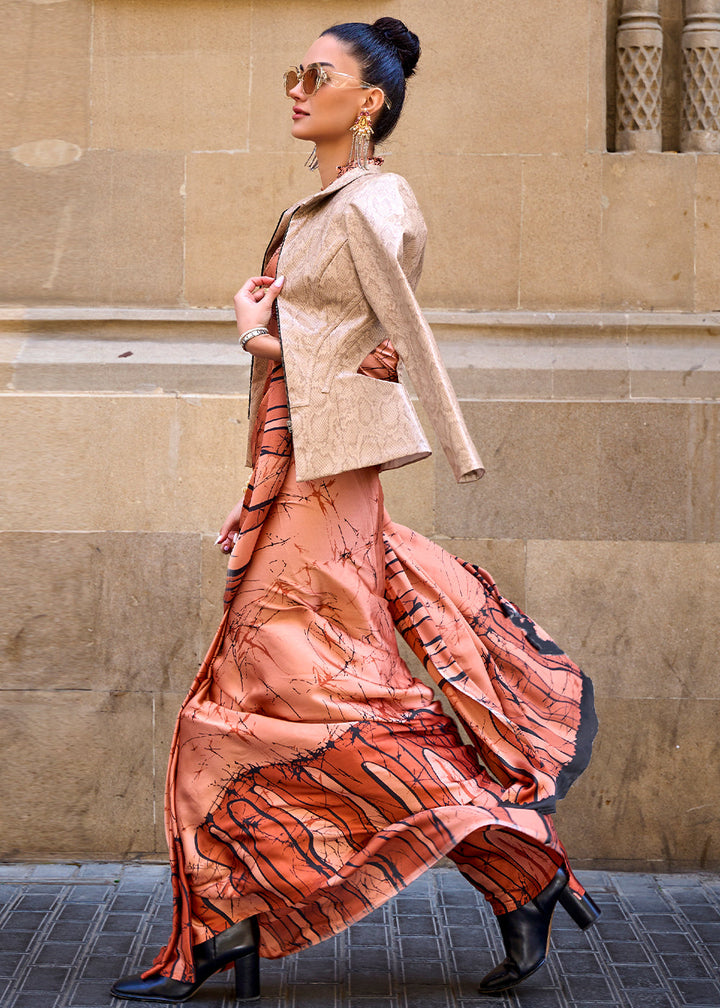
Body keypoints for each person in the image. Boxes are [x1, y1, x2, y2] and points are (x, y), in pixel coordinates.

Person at [111, 17, 599, 1004]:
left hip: (333, 485)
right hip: (306, 481)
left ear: (369, 101)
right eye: (296, 73)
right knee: (241, 718)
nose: (297, 88)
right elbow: (345, 341)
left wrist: (259, 332)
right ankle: (236, 928)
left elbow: (381, 337)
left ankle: (513, 866)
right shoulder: (321, 206)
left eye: (318, 75)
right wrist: (258, 497)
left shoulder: (377, 202)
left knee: (307, 714)